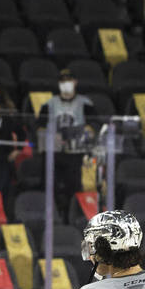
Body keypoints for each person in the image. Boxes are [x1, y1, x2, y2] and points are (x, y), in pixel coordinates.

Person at [38, 69, 94, 211]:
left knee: (74, 187)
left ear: (75, 82)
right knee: (51, 186)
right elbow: (39, 126)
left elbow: (95, 124)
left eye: (68, 81)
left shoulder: (85, 104)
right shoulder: (49, 104)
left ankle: (72, 213)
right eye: (62, 81)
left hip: (76, 152)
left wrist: (90, 129)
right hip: (54, 153)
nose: (65, 84)